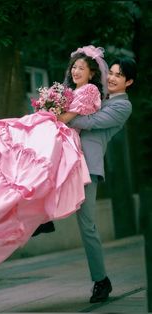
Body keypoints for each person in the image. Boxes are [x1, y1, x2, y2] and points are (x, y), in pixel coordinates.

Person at [0, 45, 108, 271]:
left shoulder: (89, 91)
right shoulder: (70, 90)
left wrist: (50, 113)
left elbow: (67, 118)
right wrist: (49, 109)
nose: (75, 71)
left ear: (91, 73)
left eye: (81, 68)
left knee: (18, 144)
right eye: (74, 67)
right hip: (54, 129)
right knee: (10, 140)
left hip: (64, 137)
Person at [67, 54, 137, 303]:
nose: (113, 77)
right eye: (112, 72)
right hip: (67, 157)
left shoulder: (122, 106)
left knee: (87, 225)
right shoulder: (95, 93)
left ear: (128, 82)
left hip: (87, 165)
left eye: (119, 75)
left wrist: (59, 112)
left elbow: (90, 122)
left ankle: (101, 280)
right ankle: (42, 220)